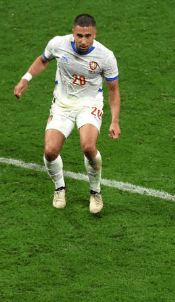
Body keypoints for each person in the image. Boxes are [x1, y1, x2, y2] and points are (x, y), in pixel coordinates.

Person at [14, 13, 121, 213]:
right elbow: (43, 60)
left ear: (95, 34)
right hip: (62, 105)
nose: (83, 41)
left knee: (88, 147)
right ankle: (59, 188)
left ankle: (95, 192)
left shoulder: (106, 56)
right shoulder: (58, 44)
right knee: (50, 151)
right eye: (79, 35)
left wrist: (115, 120)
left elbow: (113, 90)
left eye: (88, 36)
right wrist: (25, 79)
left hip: (89, 105)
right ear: (73, 33)